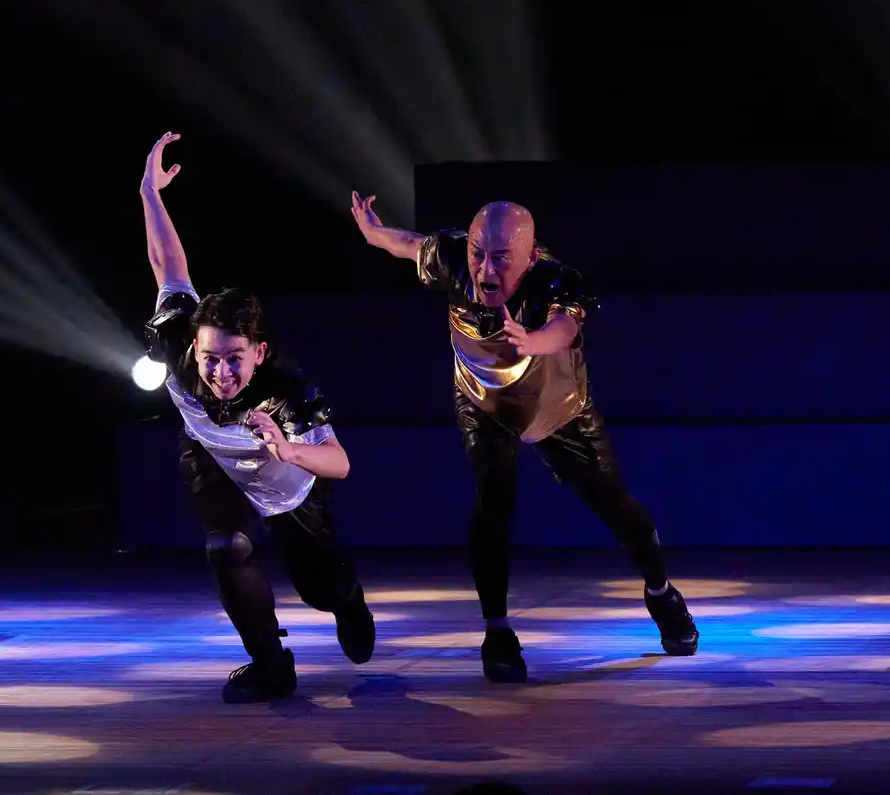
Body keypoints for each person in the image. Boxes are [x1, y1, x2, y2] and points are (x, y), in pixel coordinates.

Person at [347, 191, 698, 683]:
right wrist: (373, 232)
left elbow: (563, 327)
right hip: (484, 402)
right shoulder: (453, 258)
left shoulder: (557, 280)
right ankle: (498, 632)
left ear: (530, 257)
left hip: (558, 406)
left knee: (617, 507)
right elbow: (407, 244)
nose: (485, 268)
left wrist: (532, 341)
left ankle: (661, 592)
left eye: (501, 258)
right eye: (478, 253)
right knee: (493, 501)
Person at [139, 132, 375, 703]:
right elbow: (168, 264)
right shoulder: (175, 335)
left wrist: (289, 450)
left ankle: (347, 600)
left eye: (234, 360)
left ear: (259, 352)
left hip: (285, 477)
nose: (219, 372)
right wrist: (150, 192)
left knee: (319, 588)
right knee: (226, 548)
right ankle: (271, 666)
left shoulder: (286, 389)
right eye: (209, 358)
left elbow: (339, 463)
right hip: (212, 457)